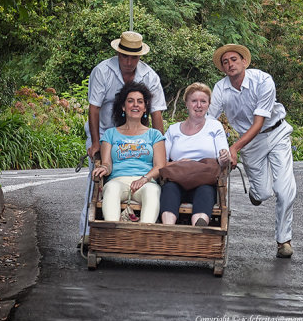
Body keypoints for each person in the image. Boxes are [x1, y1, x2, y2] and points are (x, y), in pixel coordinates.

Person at [207, 44, 297, 259]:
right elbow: (209, 120)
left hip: (276, 133)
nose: (230, 64)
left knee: (284, 190)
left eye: (234, 59)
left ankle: (283, 241)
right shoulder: (220, 89)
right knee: (264, 193)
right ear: (222, 68)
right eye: (225, 62)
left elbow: (259, 123)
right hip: (251, 144)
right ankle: (256, 193)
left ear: (244, 62)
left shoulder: (263, 80)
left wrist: (234, 148)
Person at [78, 31, 166, 246]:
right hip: (105, 130)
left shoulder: (149, 76)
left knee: (153, 185)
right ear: (118, 53)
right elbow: (94, 108)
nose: (129, 62)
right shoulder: (103, 71)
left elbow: (156, 114)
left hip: (139, 132)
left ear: (139, 57)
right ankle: (88, 235)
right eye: (124, 56)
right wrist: (97, 143)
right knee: (96, 183)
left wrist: (159, 144)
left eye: (134, 57)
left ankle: (141, 237)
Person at [91, 81, 166, 223]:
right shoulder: (110, 134)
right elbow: (107, 164)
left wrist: (144, 178)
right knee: (112, 189)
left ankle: (144, 235)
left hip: (146, 181)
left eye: (140, 102)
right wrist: (103, 168)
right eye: (130, 101)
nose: (135, 105)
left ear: (145, 108)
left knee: (152, 192)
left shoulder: (154, 135)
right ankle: (113, 235)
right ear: (123, 107)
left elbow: (160, 166)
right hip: (118, 180)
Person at [160, 83, 230, 227]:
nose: (198, 105)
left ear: (208, 104)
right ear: (186, 103)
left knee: (205, 191)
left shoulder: (214, 126)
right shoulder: (173, 130)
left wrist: (224, 157)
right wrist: (181, 164)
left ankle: (199, 229)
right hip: (177, 178)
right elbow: (161, 162)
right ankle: (168, 230)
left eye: (203, 101)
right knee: (169, 189)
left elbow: (223, 157)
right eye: (194, 101)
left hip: (204, 179)